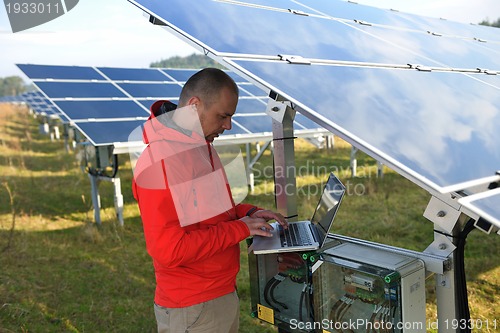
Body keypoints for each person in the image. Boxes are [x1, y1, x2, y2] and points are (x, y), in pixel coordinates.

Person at [132, 68, 287, 333]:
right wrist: (241, 228)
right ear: (194, 107)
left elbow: (213, 210)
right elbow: (169, 250)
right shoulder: (161, 161)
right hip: (193, 307)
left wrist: (250, 213)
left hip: (216, 295)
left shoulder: (198, 144)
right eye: (223, 116)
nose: (228, 126)